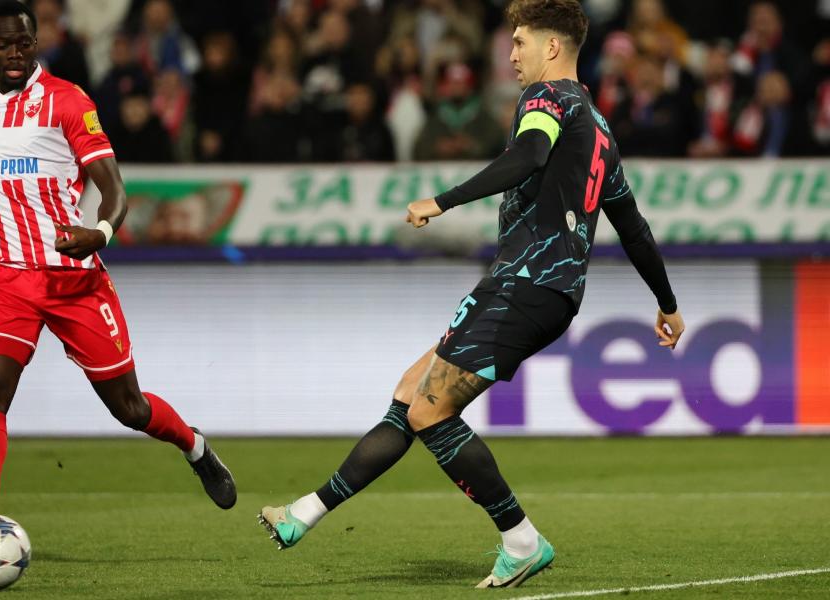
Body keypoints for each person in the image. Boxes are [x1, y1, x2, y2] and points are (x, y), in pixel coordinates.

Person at [259, 0, 684, 589]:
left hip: (527, 283)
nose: (510, 54)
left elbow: (529, 153)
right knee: (413, 394)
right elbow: (632, 226)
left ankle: (521, 538)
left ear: (552, 48)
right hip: (546, 289)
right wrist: (666, 302)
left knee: (432, 409)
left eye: (519, 42)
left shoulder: (546, 99)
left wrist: (444, 199)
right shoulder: (599, 126)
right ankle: (303, 515)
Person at [0, 0, 236, 541]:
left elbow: (113, 186)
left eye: (25, 42)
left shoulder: (67, 101)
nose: (15, 53)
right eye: (4, 44)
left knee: (130, 407)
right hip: (0, 272)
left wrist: (99, 232)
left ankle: (194, 446)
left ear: (37, 43)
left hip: (69, 274)